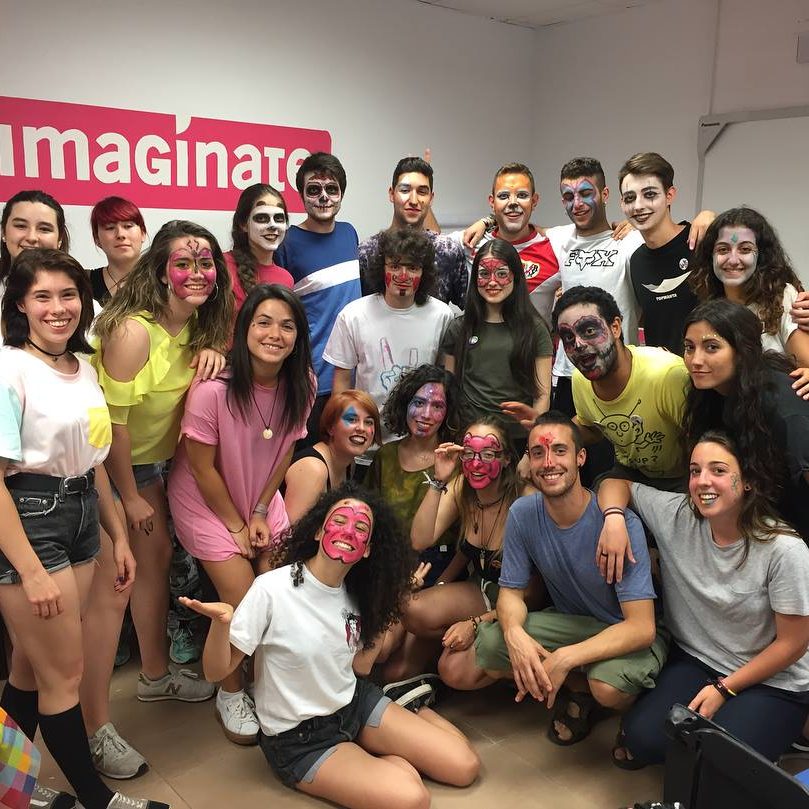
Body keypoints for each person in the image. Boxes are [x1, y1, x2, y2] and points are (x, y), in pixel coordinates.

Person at [180, 483, 480, 808]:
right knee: (412, 797)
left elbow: (362, 666)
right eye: (339, 521)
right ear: (318, 531)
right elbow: (215, 672)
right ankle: (379, 757)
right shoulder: (271, 590)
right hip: (301, 740)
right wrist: (220, 626)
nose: (348, 531)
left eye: (361, 528)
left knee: (465, 766)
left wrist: (388, 604)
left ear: (367, 549)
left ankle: (405, 711)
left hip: (353, 704)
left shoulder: (358, 592)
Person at [0, 247, 165, 809]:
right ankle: (97, 799)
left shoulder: (84, 368)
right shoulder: (9, 368)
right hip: (30, 519)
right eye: (42, 296)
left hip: (82, 515)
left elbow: (95, 465)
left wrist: (118, 537)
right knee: (64, 676)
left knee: (30, 668)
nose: (58, 307)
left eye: (68, 294)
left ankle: (9, 786)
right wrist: (30, 571)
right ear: (20, 305)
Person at [89, 221, 233, 745]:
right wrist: (128, 496)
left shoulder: (199, 324)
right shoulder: (133, 331)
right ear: (159, 270)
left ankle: (153, 675)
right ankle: (89, 719)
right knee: (117, 579)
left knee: (153, 562)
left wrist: (217, 351)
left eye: (205, 263)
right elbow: (113, 425)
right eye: (183, 263)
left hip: (154, 464)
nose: (196, 273)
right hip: (107, 467)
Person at [442, 412, 665, 749]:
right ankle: (578, 688)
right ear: (528, 463)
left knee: (607, 687)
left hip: (626, 630)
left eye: (560, 451)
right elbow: (511, 594)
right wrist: (514, 634)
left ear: (580, 458)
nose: (548, 463)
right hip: (575, 623)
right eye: (538, 453)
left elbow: (641, 627)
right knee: (490, 644)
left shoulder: (618, 523)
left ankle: (627, 703)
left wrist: (566, 657)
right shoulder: (523, 514)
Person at [607, 431, 809, 768]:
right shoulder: (678, 514)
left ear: (747, 481)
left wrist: (725, 689)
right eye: (694, 470)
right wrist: (613, 518)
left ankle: (786, 732)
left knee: (715, 762)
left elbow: (794, 645)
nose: (702, 481)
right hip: (700, 660)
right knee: (642, 738)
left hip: (774, 679)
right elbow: (617, 484)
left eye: (718, 470)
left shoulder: (784, 549)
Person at [168, 283, 314, 745]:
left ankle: (271, 684)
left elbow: (285, 450)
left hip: (258, 496)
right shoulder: (212, 391)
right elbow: (201, 469)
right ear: (244, 328)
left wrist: (259, 510)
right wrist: (235, 524)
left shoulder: (303, 383)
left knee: (281, 587)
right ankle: (229, 691)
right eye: (263, 322)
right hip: (206, 500)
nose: (275, 334)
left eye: (287, 326)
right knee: (242, 594)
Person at [404, 417, 544, 693]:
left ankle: (514, 665)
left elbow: (535, 594)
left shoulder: (526, 500)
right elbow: (420, 540)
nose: (476, 463)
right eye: (468, 453)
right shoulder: (462, 488)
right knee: (412, 610)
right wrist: (438, 480)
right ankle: (471, 645)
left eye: (488, 454)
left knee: (453, 671)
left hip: (520, 604)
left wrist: (475, 623)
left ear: (506, 458)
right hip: (480, 590)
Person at [681, 298, 809, 541]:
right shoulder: (710, 394)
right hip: (765, 529)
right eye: (689, 347)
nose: (696, 360)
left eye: (711, 347)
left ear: (742, 351)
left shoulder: (782, 406)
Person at [324, 228, 453, 439]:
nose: (403, 276)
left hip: (417, 440)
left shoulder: (442, 315)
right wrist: (341, 434)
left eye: (412, 268)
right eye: (394, 266)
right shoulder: (353, 315)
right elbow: (341, 384)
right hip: (365, 438)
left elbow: (444, 378)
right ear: (380, 268)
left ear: (424, 272)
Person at [553, 285, 690, 486]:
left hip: (683, 479)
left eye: (589, 331)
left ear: (615, 327)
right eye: (568, 338)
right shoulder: (580, 380)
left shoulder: (667, 375)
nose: (578, 344)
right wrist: (546, 435)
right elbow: (590, 428)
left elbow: (708, 441)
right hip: (629, 475)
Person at [274, 152, 361, 444]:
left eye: (331, 189)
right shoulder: (286, 242)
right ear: (301, 195)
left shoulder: (349, 233)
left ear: (341, 195)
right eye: (314, 189)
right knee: (307, 460)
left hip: (351, 377)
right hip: (311, 379)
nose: (323, 197)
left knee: (343, 460)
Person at [441, 238, 552, 450]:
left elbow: (543, 394)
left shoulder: (535, 328)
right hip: (470, 437)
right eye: (484, 274)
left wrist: (534, 440)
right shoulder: (459, 328)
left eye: (501, 274)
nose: (492, 282)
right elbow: (449, 388)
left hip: (518, 438)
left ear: (516, 277)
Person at [367, 364, 463, 586]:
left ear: (448, 412)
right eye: (419, 403)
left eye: (437, 406)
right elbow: (370, 518)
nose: (426, 414)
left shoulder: (455, 461)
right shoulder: (386, 456)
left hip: (436, 566)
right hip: (385, 562)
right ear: (405, 405)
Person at [689, 206, 809, 365]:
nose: (733, 260)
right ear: (711, 256)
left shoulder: (781, 297)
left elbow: (804, 368)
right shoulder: (707, 303)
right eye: (723, 249)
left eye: (745, 249)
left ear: (761, 255)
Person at [618, 152, 700, 354]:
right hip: (662, 372)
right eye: (630, 198)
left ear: (669, 195)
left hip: (706, 370)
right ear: (622, 204)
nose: (638, 206)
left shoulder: (699, 242)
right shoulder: (636, 261)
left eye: (650, 195)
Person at [358, 156, 467, 309]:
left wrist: (489, 221)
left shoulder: (448, 250)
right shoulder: (367, 252)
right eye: (405, 190)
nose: (414, 200)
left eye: (422, 192)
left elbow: (474, 309)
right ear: (391, 194)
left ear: (431, 198)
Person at [283, 390, 380, 524]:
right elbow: (292, 532)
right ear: (330, 427)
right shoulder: (313, 469)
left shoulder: (349, 463)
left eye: (368, 422)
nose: (362, 428)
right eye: (352, 420)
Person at [224, 184, 294, 315]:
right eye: (262, 218)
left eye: (279, 218)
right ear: (243, 224)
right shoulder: (221, 265)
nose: (272, 225)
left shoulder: (286, 279)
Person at [0, 190, 69, 297]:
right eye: (21, 226)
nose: (31, 237)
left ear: (60, 239)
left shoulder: (80, 297)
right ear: (3, 232)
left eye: (44, 229)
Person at [88, 196, 147, 307]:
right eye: (110, 228)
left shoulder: (162, 280)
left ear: (143, 233)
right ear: (97, 239)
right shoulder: (84, 283)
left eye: (128, 226)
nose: (120, 235)